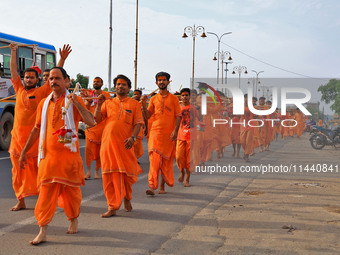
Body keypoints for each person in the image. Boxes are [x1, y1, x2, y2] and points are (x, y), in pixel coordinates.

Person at [19, 67, 95, 245]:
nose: (53, 81)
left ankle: (73, 220)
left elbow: (91, 122)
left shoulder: (73, 100)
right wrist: (23, 152)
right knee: (45, 194)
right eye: (51, 79)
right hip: (48, 159)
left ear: (67, 81)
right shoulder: (44, 103)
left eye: (57, 78)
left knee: (72, 194)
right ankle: (43, 230)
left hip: (69, 159)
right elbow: (37, 129)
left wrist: (76, 103)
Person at [8, 43, 71, 211]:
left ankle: (52, 199)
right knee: (17, 174)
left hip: (36, 143)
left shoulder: (43, 92)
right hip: (17, 142)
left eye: (32, 77)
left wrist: (62, 59)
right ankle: (20, 200)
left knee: (43, 174)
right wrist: (13, 52)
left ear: (37, 80)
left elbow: (55, 75)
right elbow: (13, 71)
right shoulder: (19, 89)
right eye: (26, 77)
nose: (28, 79)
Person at [94, 74, 143, 217]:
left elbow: (138, 123)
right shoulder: (108, 103)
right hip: (108, 144)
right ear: (115, 87)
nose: (120, 86)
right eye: (118, 84)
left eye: (123, 85)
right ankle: (112, 206)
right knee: (108, 176)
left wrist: (133, 137)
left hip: (125, 145)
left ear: (128, 88)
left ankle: (127, 198)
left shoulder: (134, 104)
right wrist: (98, 105)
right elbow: (97, 120)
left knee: (127, 176)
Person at [141, 72, 181, 195]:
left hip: (168, 134)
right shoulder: (153, 99)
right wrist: (143, 105)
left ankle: (162, 187)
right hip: (155, 132)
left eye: (164, 80)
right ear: (156, 82)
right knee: (154, 159)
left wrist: (175, 131)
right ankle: (152, 186)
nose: (161, 82)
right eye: (159, 80)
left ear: (168, 82)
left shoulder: (174, 99)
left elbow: (178, 116)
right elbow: (147, 116)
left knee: (165, 160)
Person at [82, 77, 111, 179]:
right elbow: (85, 107)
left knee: (100, 151)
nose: (96, 83)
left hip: (102, 126)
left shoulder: (106, 95)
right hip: (90, 126)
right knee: (88, 150)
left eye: (98, 82)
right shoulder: (89, 94)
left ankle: (97, 171)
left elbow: (108, 108)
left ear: (102, 84)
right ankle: (88, 171)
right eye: (94, 82)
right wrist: (88, 100)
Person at [176, 88, 194, 187]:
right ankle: (182, 172)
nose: (185, 97)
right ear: (180, 97)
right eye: (183, 95)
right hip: (180, 136)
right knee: (179, 157)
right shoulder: (178, 107)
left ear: (189, 96)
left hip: (191, 136)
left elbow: (198, 119)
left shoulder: (193, 108)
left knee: (188, 160)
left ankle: (187, 179)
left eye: (186, 95)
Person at [131, 89, 145, 160]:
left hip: (139, 126)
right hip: (131, 126)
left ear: (140, 95)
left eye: (137, 94)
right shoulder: (130, 103)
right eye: (135, 94)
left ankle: (135, 158)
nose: (136, 96)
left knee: (137, 143)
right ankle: (132, 158)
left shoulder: (142, 104)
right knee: (132, 143)